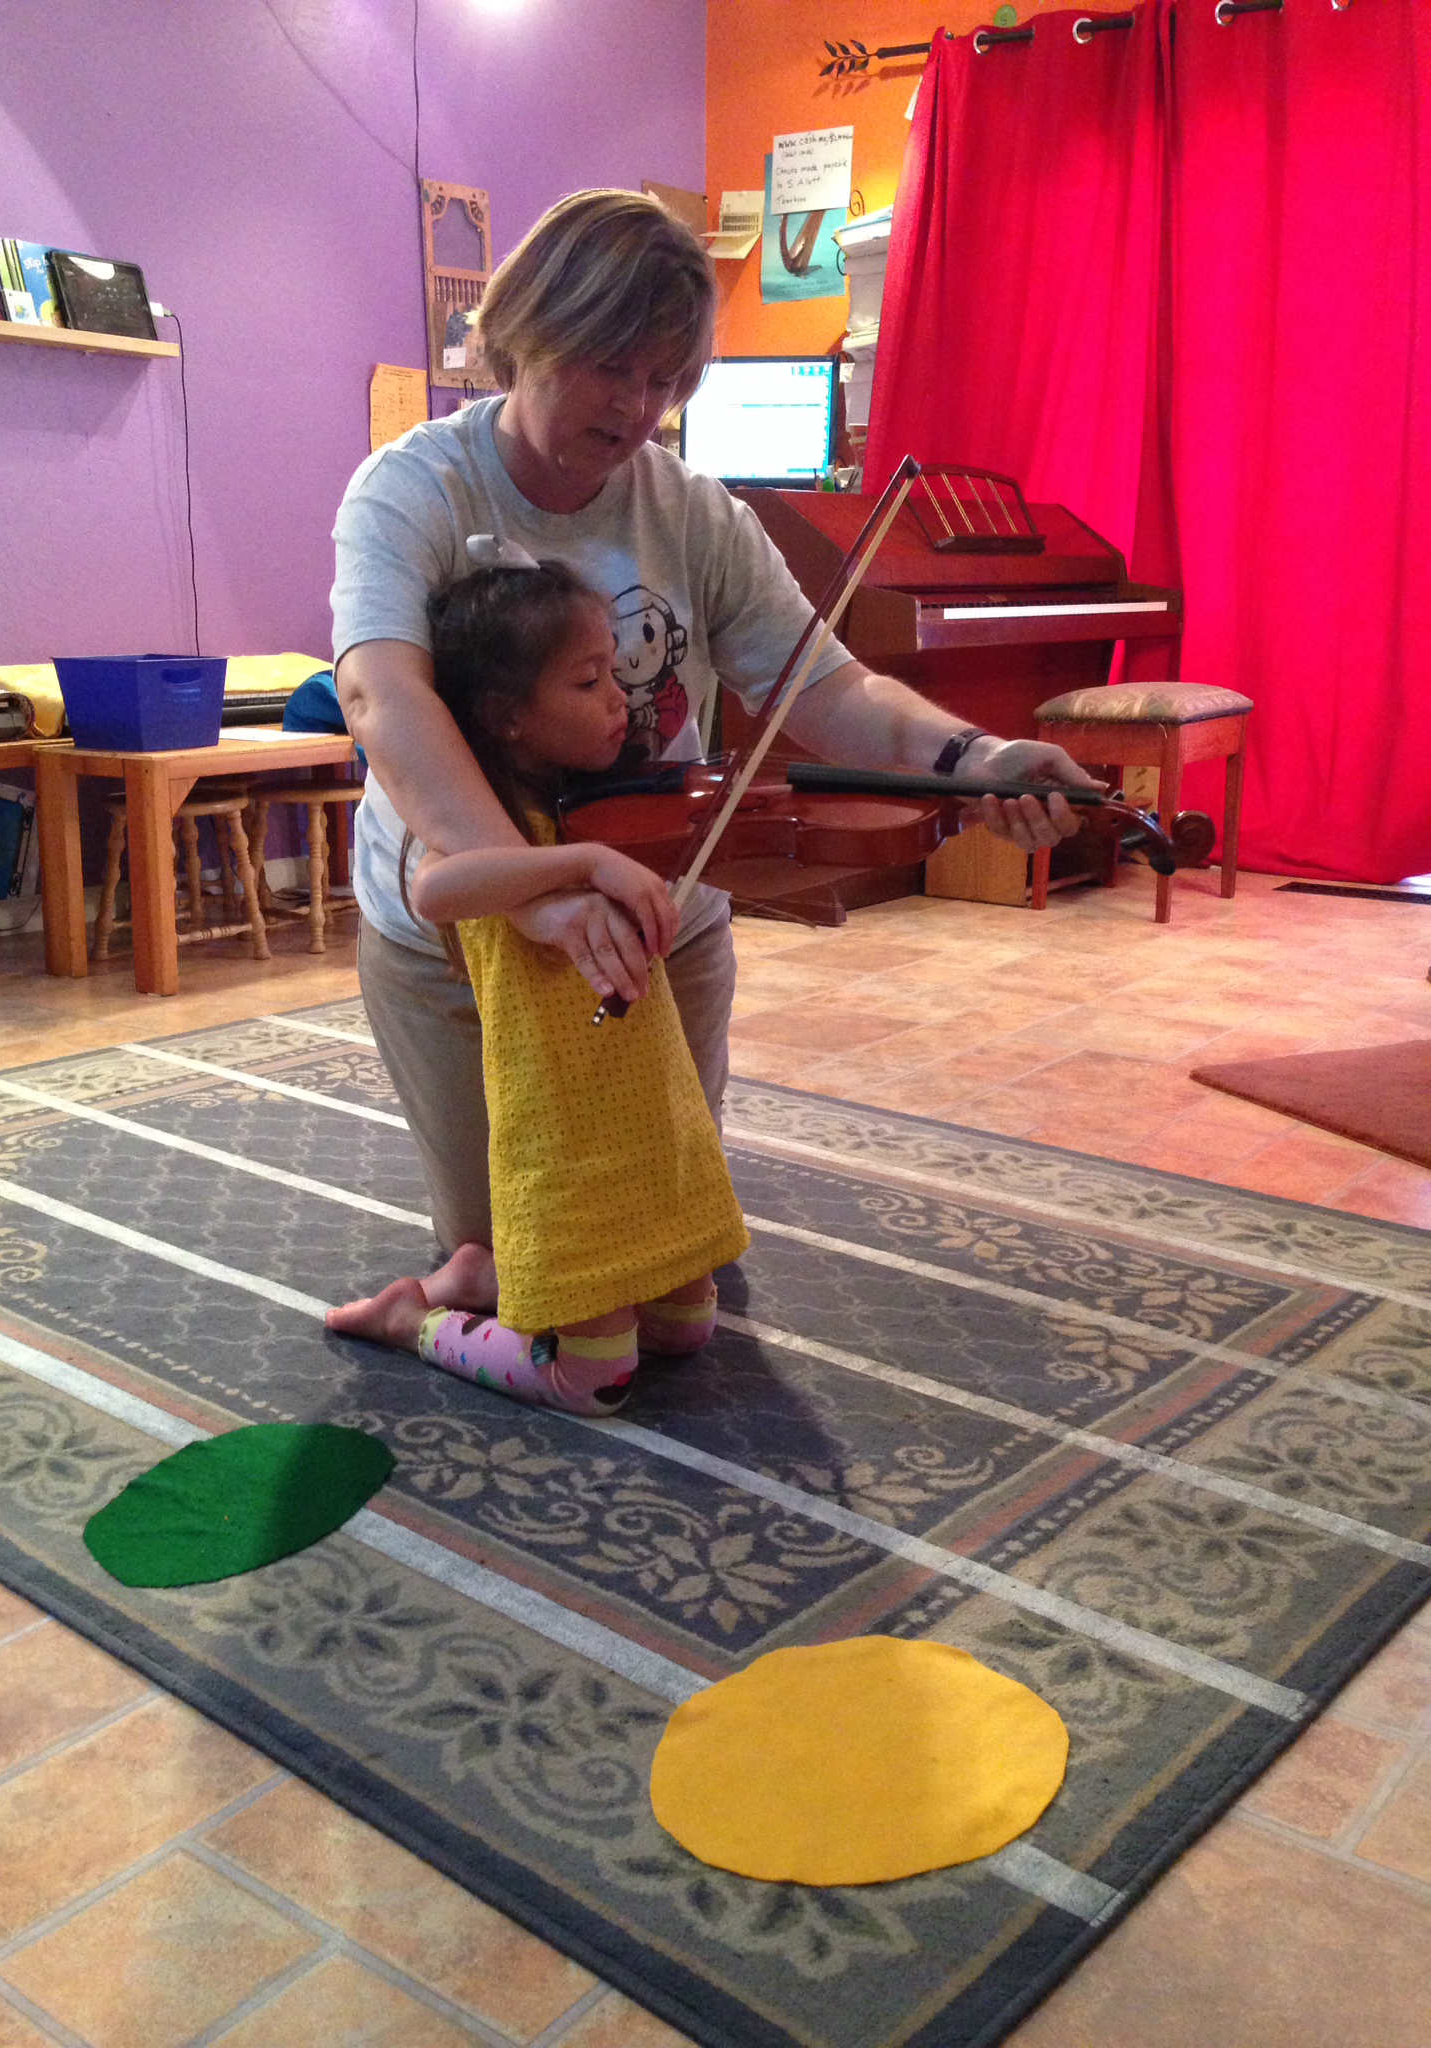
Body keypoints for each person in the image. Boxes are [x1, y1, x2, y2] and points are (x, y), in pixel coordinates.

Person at [325, 187, 1093, 1344]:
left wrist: (970, 757)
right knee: (515, 1267)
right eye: (610, 368)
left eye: (666, 380)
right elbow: (384, 692)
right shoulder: (413, 489)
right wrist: (534, 888)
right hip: (458, 930)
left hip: (654, 912)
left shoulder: (695, 512)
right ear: (526, 328)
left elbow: (828, 687)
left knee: (656, 1249)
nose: (639, 408)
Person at [361, 555, 749, 1415]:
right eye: (588, 680)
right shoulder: (480, 837)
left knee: (685, 1330)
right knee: (593, 1381)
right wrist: (581, 862)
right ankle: (409, 1323)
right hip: (563, 1136)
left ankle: (478, 1269)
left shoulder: (619, 801)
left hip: (651, 1113)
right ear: (507, 720)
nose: (622, 698)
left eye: (615, 670)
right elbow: (433, 892)